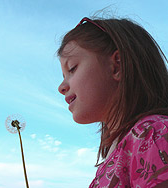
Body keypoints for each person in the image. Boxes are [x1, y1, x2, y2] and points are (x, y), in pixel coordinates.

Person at [57, 17, 168, 187]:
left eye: (72, 68)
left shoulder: (153, 134)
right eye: (63, 76)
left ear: (117, 65)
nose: (62, 86)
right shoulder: (115, 155)